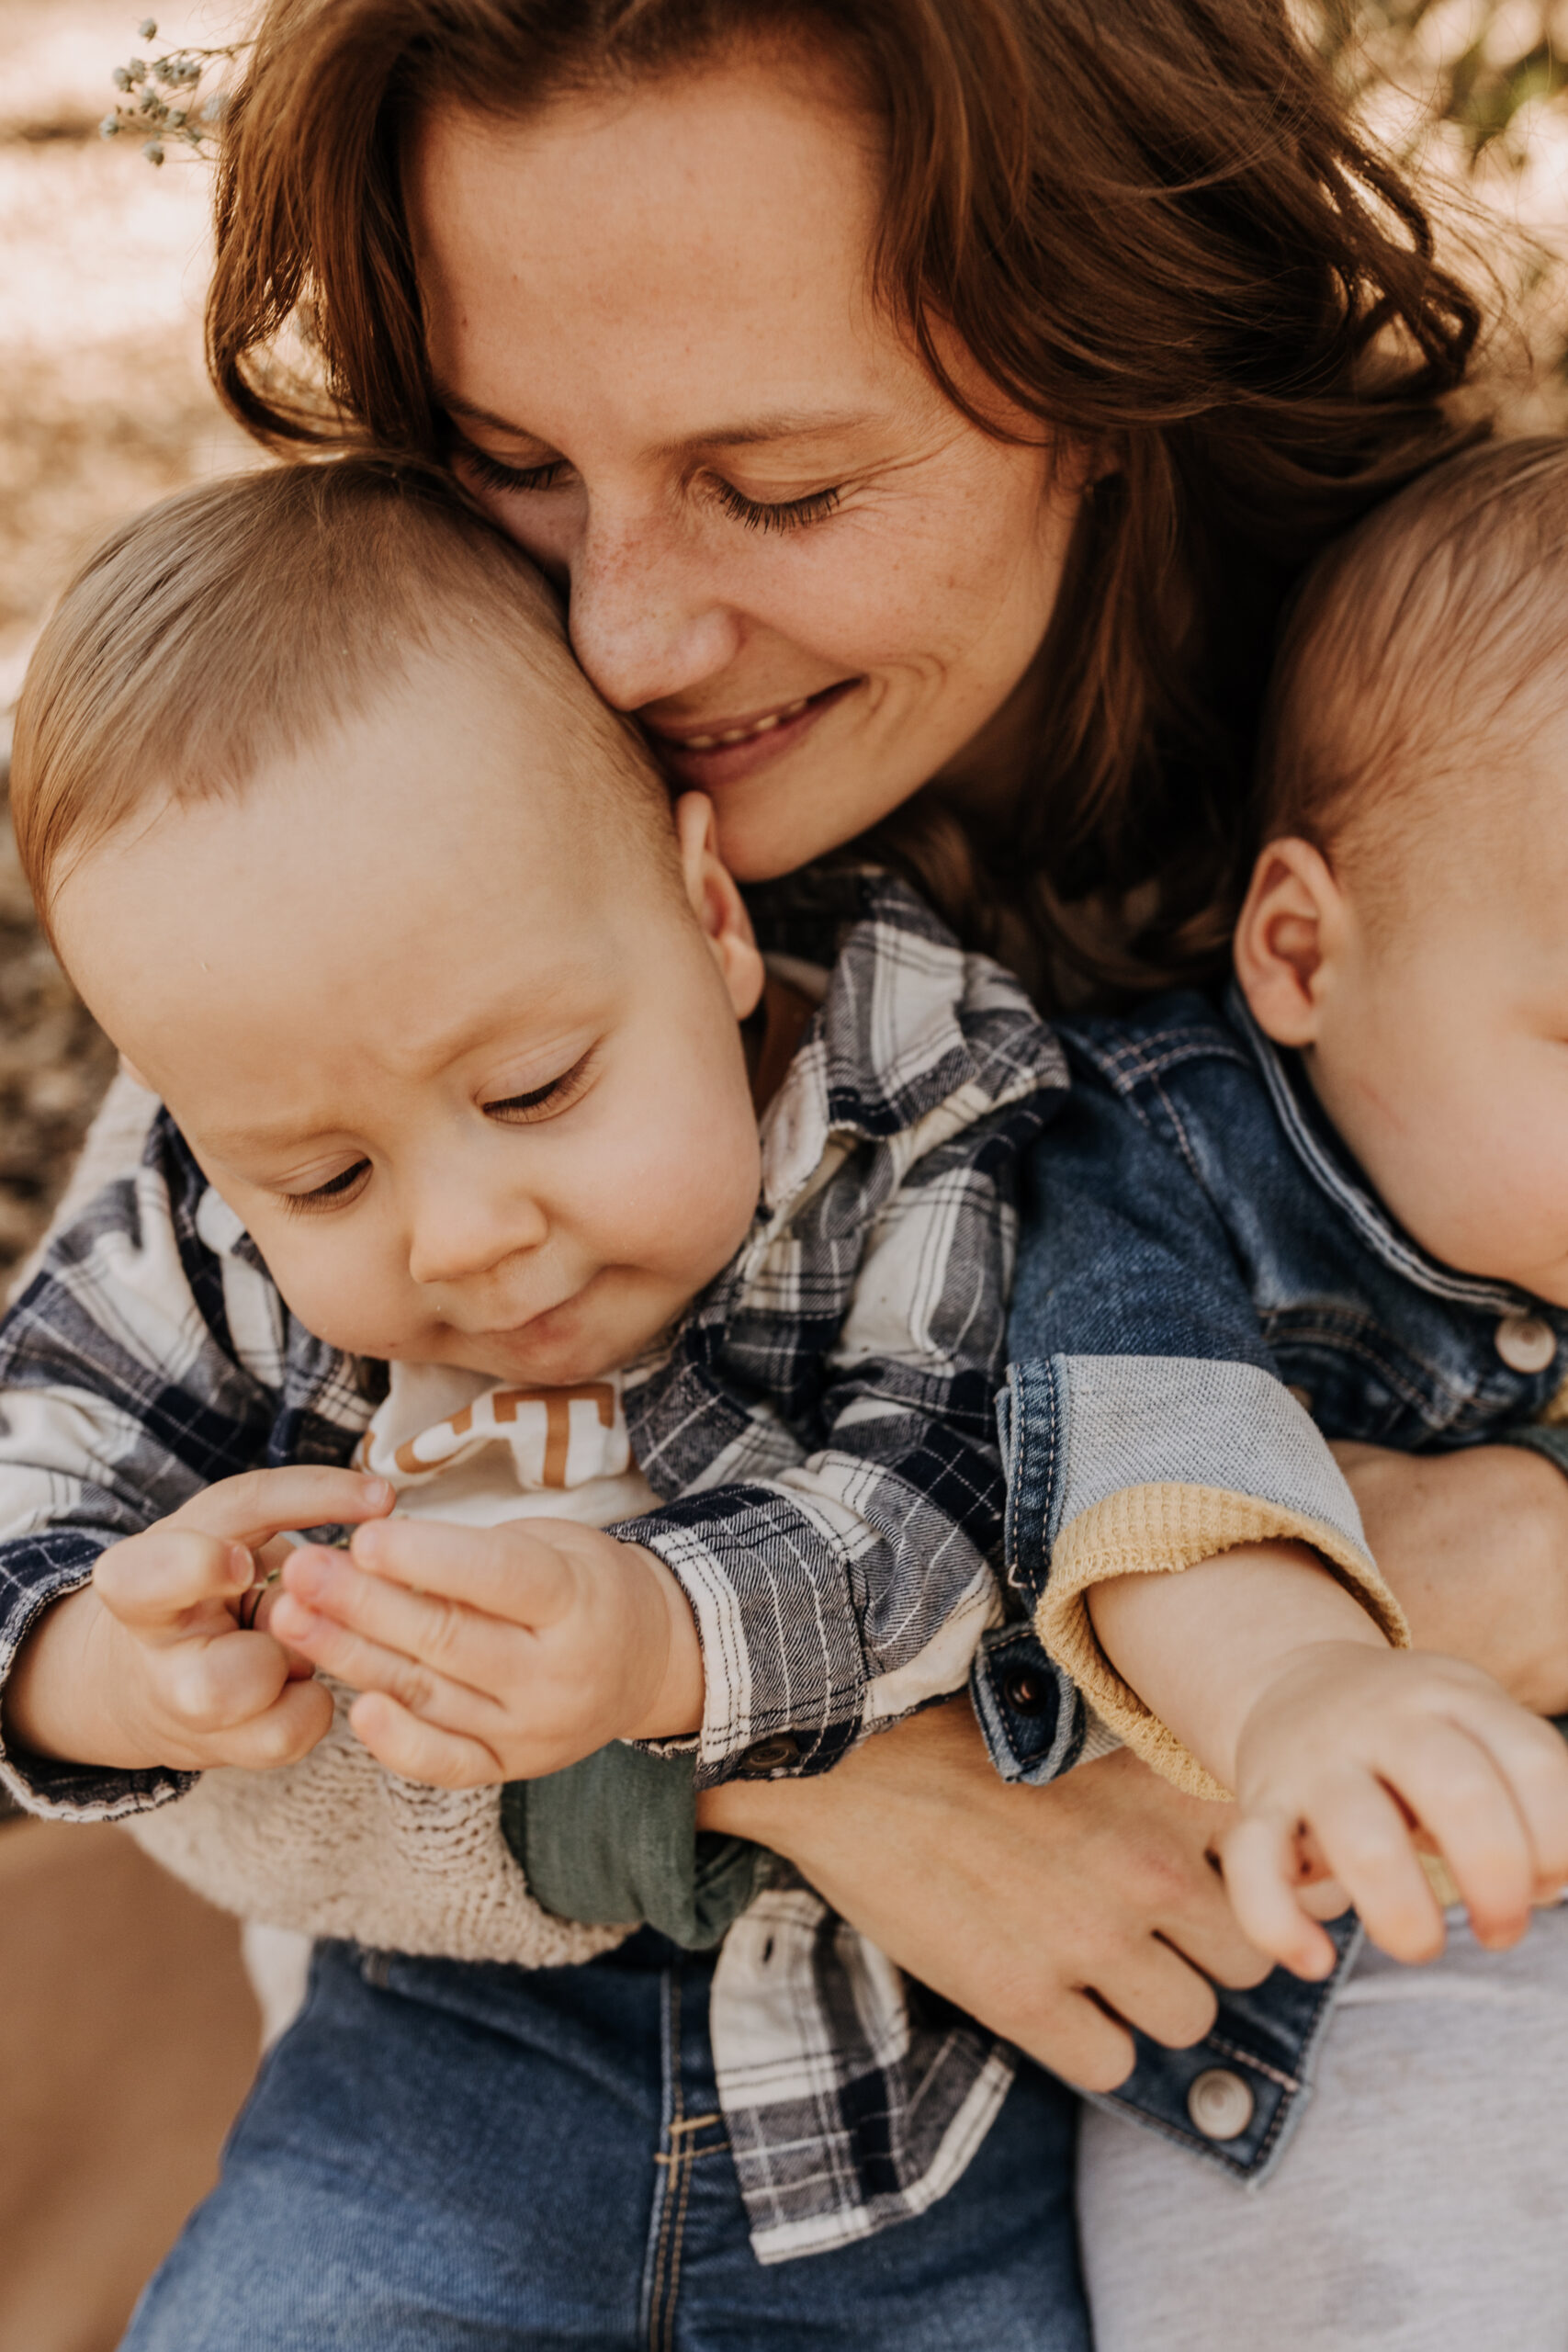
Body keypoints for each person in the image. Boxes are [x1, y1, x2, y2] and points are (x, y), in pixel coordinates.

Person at [15, 0, 1568, 2343]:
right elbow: (208, 1744)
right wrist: (822, 1782)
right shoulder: (390, 818)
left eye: (785, 487)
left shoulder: (1473, 738)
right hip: (532, 2110)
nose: (624, 632)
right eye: (510, 457)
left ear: (1109, 367)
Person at [0, 453, 1075, 2336]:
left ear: (708, 916)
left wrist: (657, 1637)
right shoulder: (203, 1183)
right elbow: (36, 1469)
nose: (469, 1233)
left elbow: (951, 1499)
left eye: (532, 1090)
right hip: (428, 2083)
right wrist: (103, 1659)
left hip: (915, 2135)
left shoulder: (913, 1090)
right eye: (326, 1181)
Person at [1038, 433, 1568, 2347]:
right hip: (1322, 2042)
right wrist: (1297, 1682)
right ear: (1298, 948)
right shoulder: (1161, 1157)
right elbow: (1135, 1421)